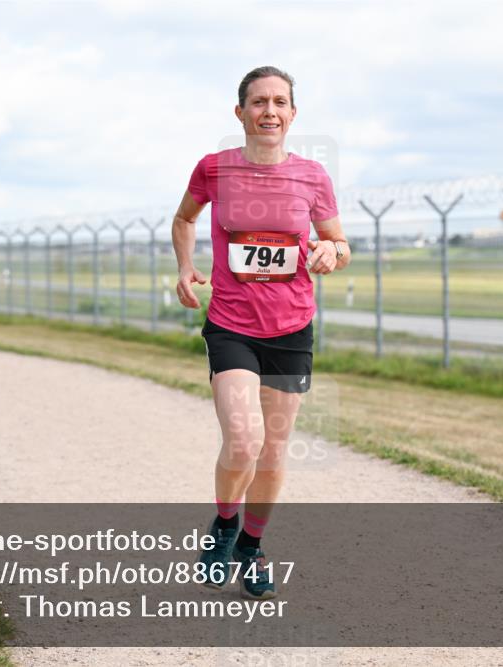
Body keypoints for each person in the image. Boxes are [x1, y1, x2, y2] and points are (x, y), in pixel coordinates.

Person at [172, 66, 350, 600]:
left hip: (291, 328)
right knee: (244, 440)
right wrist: (185, 266)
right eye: (258, 102)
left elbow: (339, 243)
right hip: (231, 325)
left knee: (272, 452)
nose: (269, 111)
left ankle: (251, 546)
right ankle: (225, 525)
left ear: (292, 114)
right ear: (240, 112)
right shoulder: (214, 168)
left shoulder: (313, 176)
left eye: (279, 102)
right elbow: (184, 219)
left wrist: (330, 251)